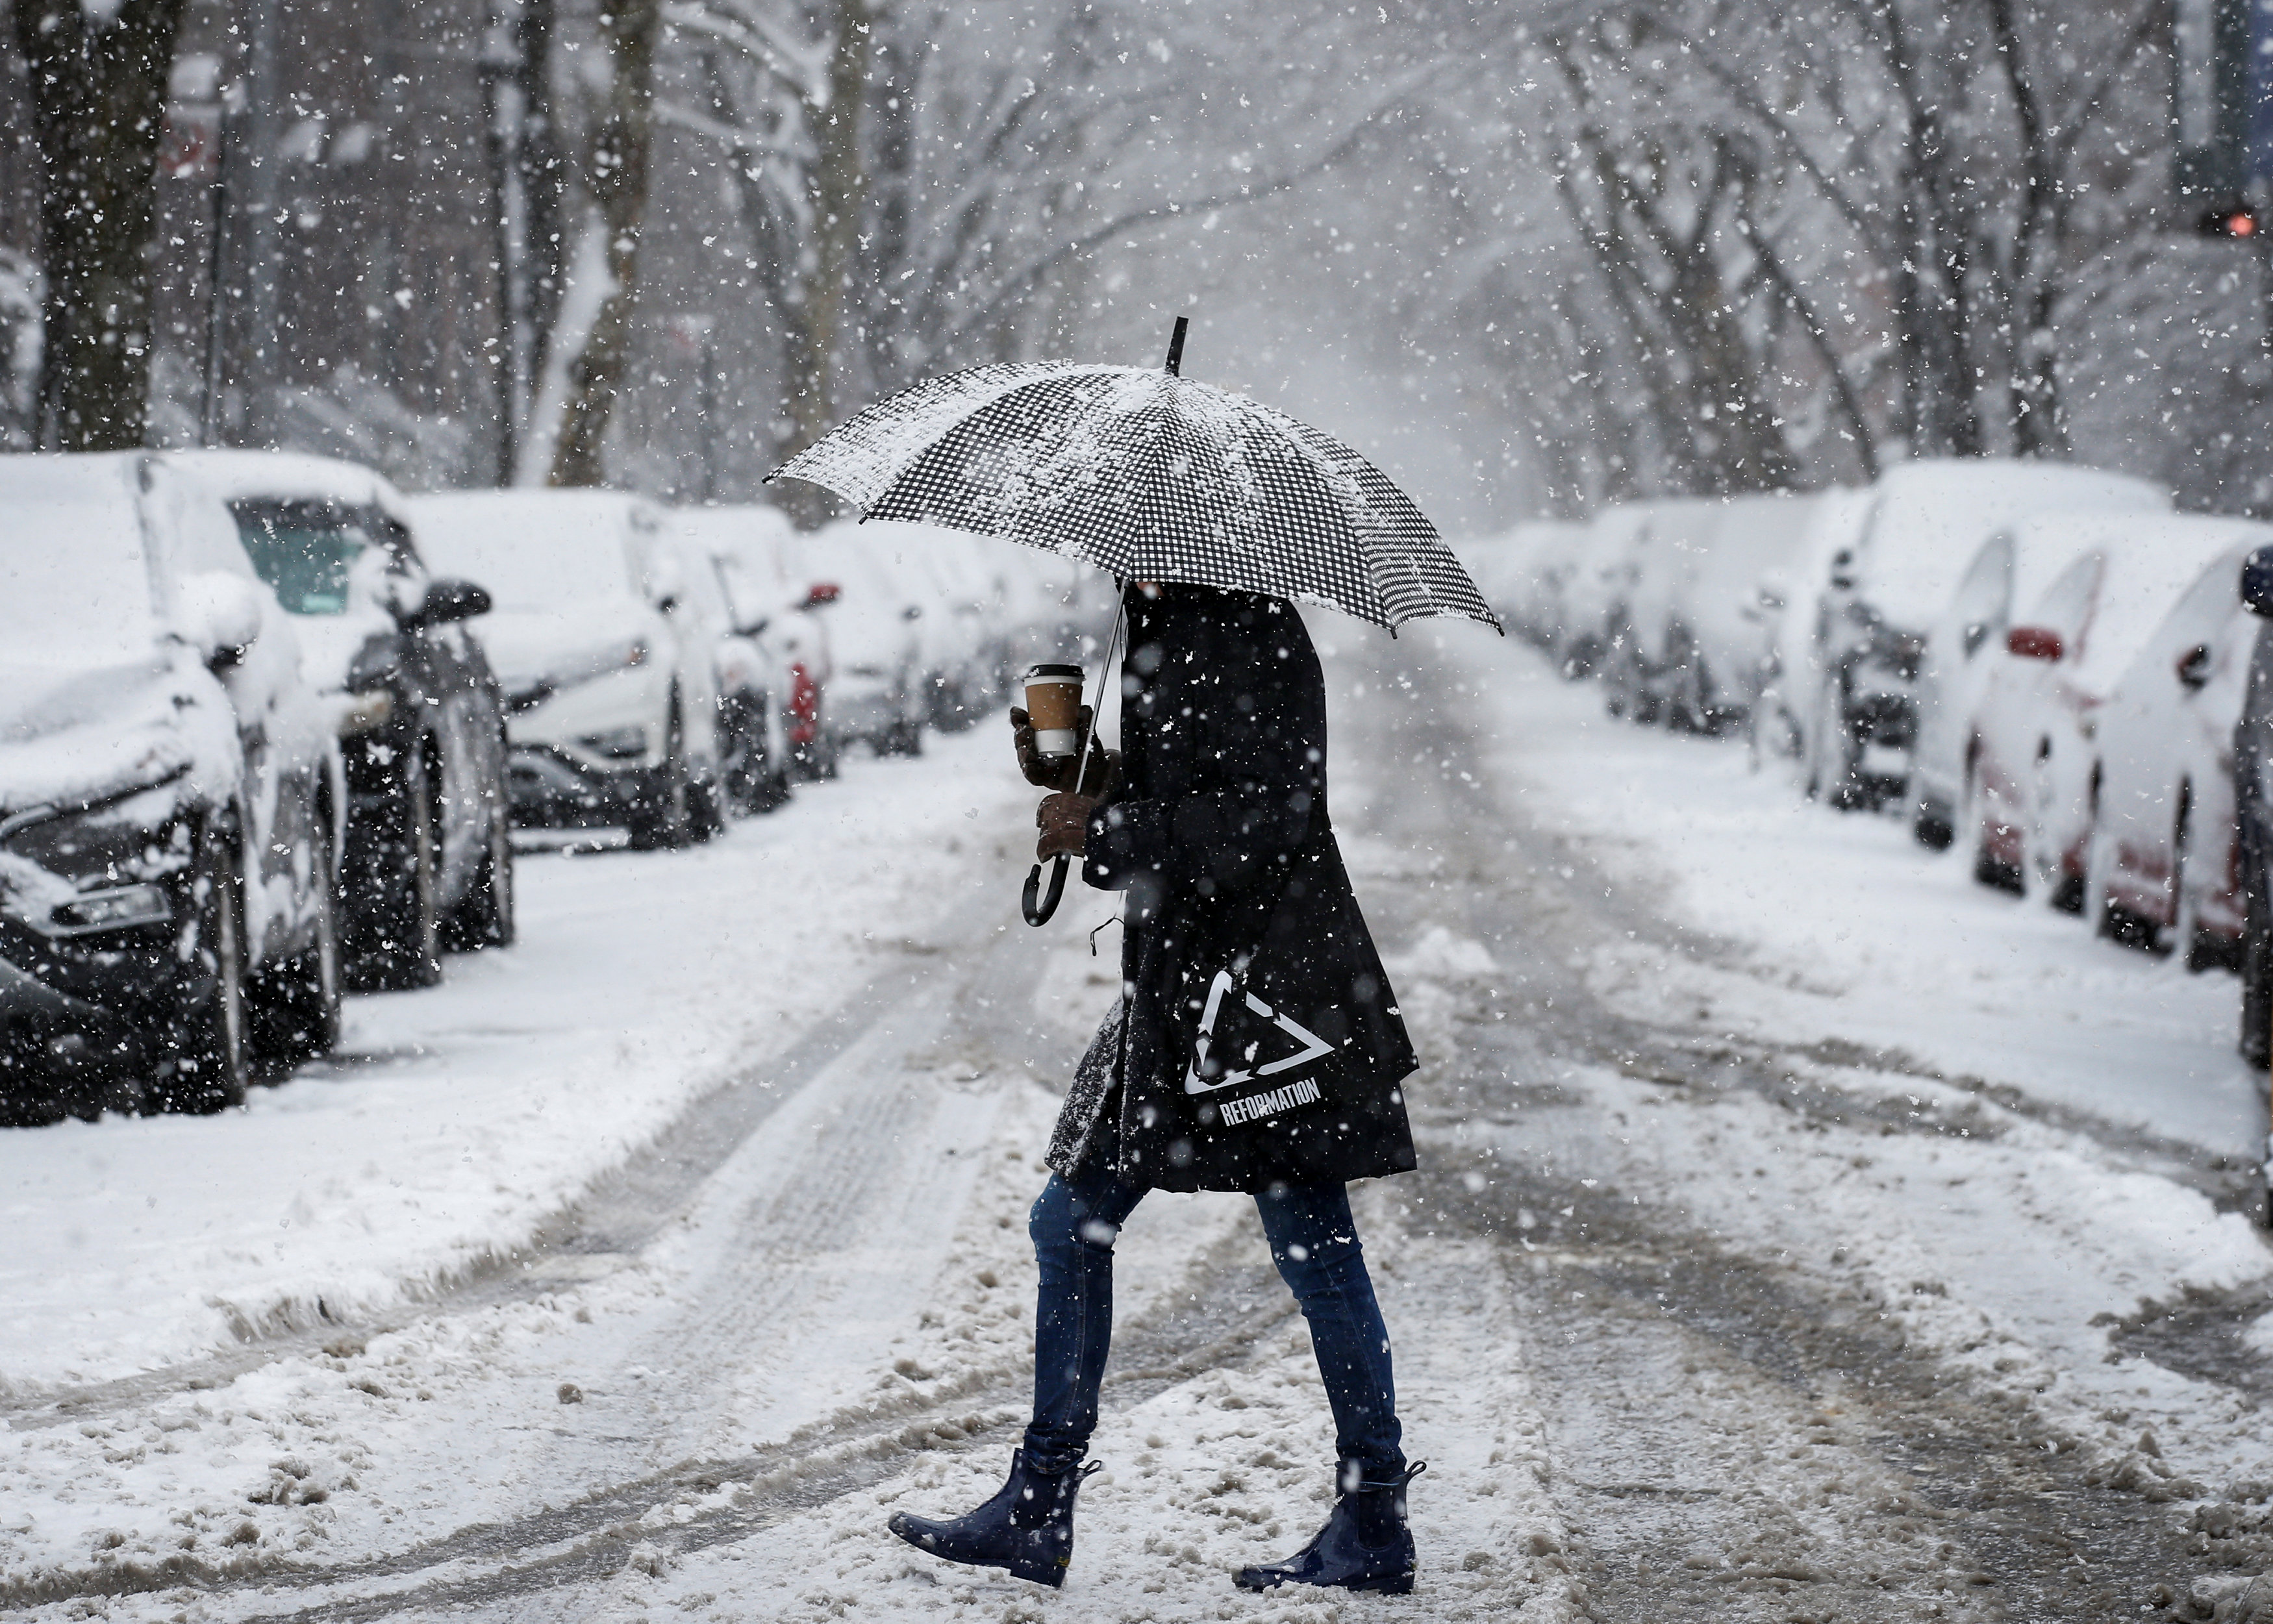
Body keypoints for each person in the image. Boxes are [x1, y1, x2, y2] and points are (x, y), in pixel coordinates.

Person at [887, 580, 1424, 1594]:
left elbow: (1272, 814)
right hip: (1183, 985)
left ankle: (1374, 1513)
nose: (1101, 554)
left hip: (1262, 999)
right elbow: (1199, 785)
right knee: (1069, 1218)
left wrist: (1111, 829)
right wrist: (1092, 773)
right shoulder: (1166, 620)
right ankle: (1040, 1504)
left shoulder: (1246, 624)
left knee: (1313, 1246)